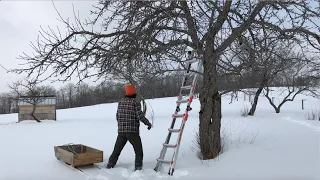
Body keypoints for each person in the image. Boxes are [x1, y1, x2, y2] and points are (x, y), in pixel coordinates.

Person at [106, 84, 152, 171]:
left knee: (116, 151)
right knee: (139, 152)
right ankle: (138, 169)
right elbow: (140, 116)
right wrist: (148, 123)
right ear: (134, 92)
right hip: (132, 132)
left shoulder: (121, 102)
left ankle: (110, 165)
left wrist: (121, 125)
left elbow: (117, 116)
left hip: (121, 132)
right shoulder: (135, 102)